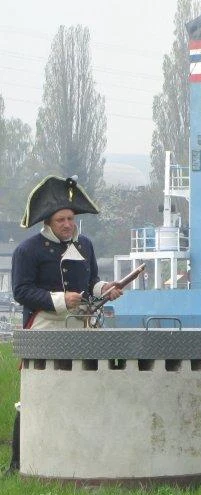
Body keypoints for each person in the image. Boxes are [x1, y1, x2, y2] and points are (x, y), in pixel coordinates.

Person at [8, 176, 125, 473]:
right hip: (44, 326)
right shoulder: (28, 250)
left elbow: (92, 282)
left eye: (71, 218)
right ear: (48, 222)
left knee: (85, 389)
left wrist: (105, 289)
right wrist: (61, 300)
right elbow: (21, 291)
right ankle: (19, 462)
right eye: (61, 219)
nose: (68, 224)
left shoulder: (85, 245)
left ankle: (80, 455)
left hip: (81, 325)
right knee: (36, 394)